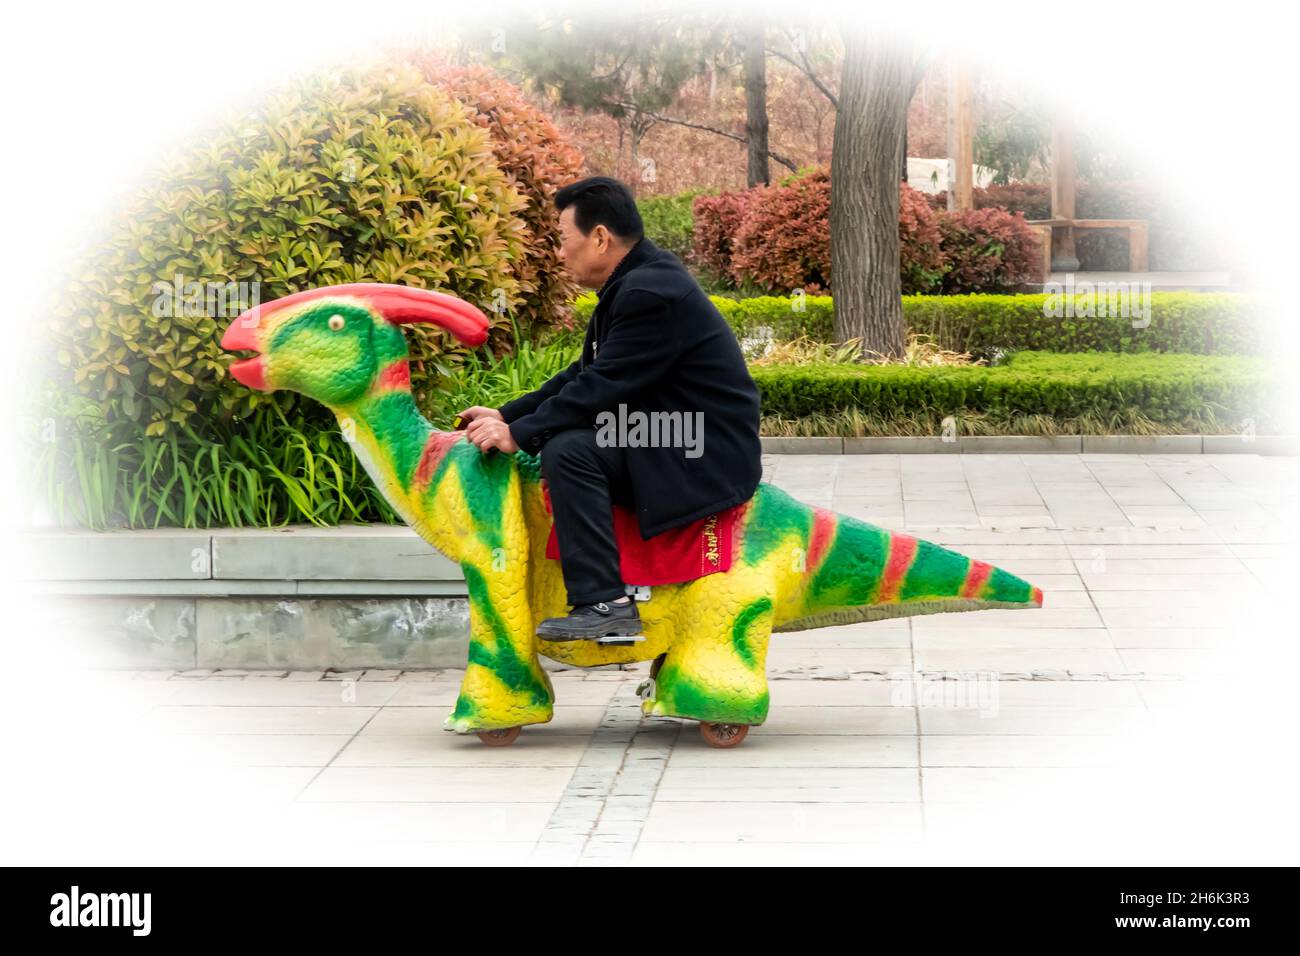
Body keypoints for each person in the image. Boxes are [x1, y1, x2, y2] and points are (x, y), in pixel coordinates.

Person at [460, 176, 762, 640]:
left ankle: (606, 602)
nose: (559, 253)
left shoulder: (648, 292)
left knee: (572, 451)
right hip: (666, 430)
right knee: (570, 441)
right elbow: (584, 375)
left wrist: (519, 435)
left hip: (702, 446)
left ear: (599, 237)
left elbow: (603, 387)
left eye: (563, 239)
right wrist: (507, 415)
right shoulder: (636, 283)